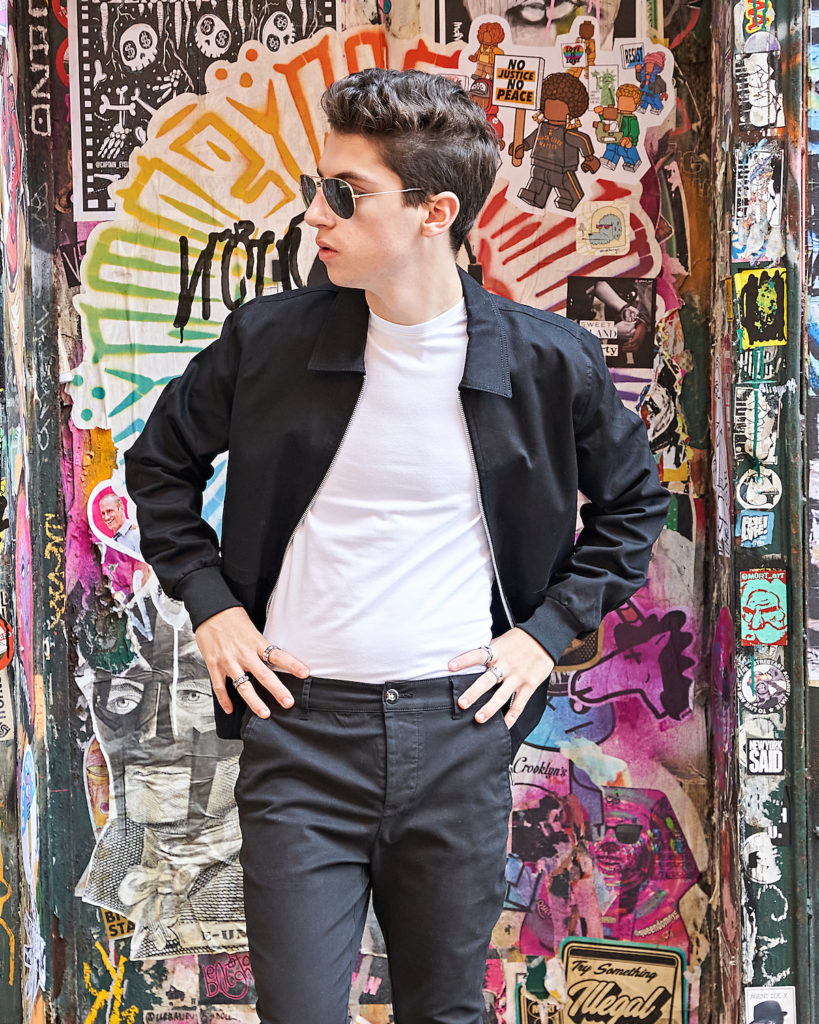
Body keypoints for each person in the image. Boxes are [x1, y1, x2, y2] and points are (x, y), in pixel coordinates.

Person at [125, 68, 669, 1024]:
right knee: (298, 1011)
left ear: (435, 211)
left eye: (346, 193)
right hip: (298, 731)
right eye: (315, 188)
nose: (315, 216)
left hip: (456, 731)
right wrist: (211, 610)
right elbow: (160, 468)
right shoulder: (270, 341)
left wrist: (544, 635)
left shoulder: (543, 359)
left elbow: (632, 510)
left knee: (443, 1010)